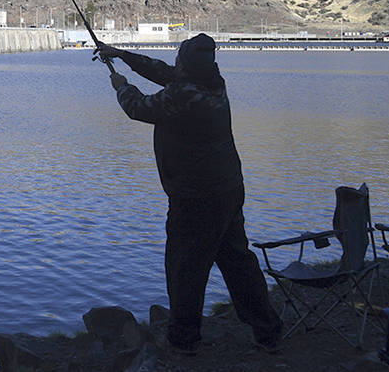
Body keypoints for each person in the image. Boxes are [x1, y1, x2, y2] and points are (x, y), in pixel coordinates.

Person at [97, 33, 282, 355]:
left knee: (186, 268)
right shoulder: (212, 81)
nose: (176, 64)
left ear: (185, 62)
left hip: (196, 197)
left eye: (179, 58)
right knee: (238, 261)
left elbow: (138, 107)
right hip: (228, 188)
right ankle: (267, 331)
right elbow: (164, 72)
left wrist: (121, 85)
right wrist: (122, 54)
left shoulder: (183, 96)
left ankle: (183, 340)